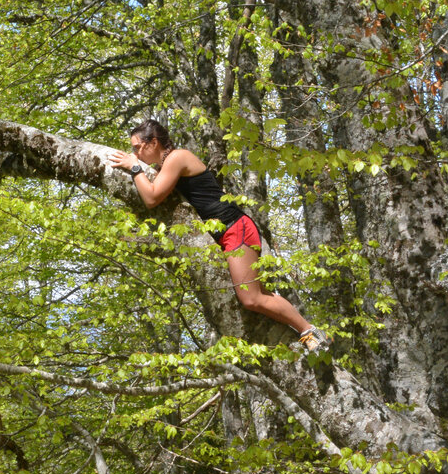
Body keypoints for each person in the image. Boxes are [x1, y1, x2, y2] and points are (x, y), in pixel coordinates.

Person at [109, 119, 330, 352]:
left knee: (251, 298)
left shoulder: (177, 157)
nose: (135, 152)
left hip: (235, 227)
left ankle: (310, 332)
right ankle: (299, 332)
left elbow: (152, 198)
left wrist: (134, 167)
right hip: (225, 233)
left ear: (153, 142)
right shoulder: (165, 166)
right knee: (256, 295)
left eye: (137, 147)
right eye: (133, 150)